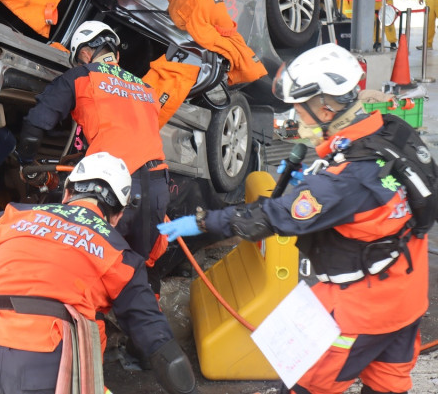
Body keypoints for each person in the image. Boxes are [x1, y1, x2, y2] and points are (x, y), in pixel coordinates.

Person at [158, 43, 429, 394]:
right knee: (387, 387)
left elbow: (269, 218)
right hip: (407, 297)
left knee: (307, 386)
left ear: (326, 106)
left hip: (361, 311)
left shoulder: (343, 182)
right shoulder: (392, 132)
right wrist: (319, 162)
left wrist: (202, 223)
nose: (297, 116)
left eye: (301, 109)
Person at [0, 152, 197, 394]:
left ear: (67, 193)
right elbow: (154, 336)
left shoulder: (13, 216)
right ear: (116, 215)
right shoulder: (119, 253)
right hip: (45, 358)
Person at [15, 20, 170, 287]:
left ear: (85, 54)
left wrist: (26, 161)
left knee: (89, 265)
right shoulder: (147, 90)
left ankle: (88, 323)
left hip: (112, 185)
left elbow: (36, 123)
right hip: (158, 186)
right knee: (140, 269)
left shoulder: (83, 76)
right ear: (116, 54)